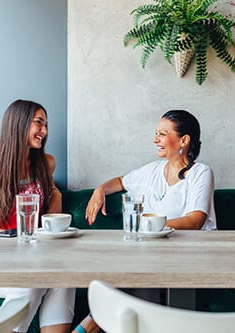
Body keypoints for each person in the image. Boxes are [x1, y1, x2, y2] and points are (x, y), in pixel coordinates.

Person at [73, 109, 216, 333]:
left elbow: (195, 220)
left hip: (190, 258)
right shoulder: (153, 171)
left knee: (130, 273)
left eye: (162, 133)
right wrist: (100, 190)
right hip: (151, 259)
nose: (155, 139)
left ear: (184, 140)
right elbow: (121, 182)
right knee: (133, 273)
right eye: (156, 133)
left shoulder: (201, 173)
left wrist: (148, 226)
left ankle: (87, 326)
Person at [0, 99, 75, 333]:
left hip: (31, 256)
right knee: (34, 280)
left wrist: (55, 195)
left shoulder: (46, 163)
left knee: (65, 276)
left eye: (46, 125)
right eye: (39, 123)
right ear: (18, 124)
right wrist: (9, 246)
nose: (45, 132)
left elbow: (50, 217)